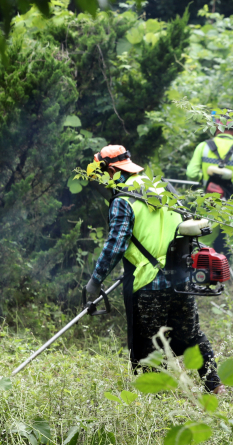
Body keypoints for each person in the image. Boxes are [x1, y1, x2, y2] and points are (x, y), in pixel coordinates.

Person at [85, 145, 225, 394]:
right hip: (180, 279)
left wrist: (95, 281)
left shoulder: (123, 200)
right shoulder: (163, 187)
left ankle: (154, 402)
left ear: (112, 170)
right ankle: (215, 387)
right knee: (192, 336)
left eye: (101, 174)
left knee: (149, 347)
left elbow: (116, 245)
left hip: (149, 285)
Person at [186, 110, 233, 253]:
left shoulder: (203, 147)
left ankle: (199, 273)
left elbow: (191, 174)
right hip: (232, 206)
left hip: (208, 203)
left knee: (201, 243)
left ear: (215, 126)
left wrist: (204, 178)